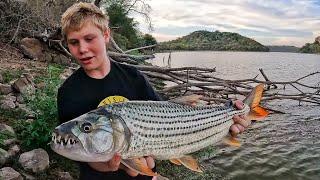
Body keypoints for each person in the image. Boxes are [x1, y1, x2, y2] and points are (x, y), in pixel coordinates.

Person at [57, 2, 250, 180]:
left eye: (89, 38)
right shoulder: (68, 93)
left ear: (106, 35)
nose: (82, 49)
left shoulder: (134, 77)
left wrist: (229, 122)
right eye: (74, 42)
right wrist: (111, 165)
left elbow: (170, 115)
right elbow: (80, 152)